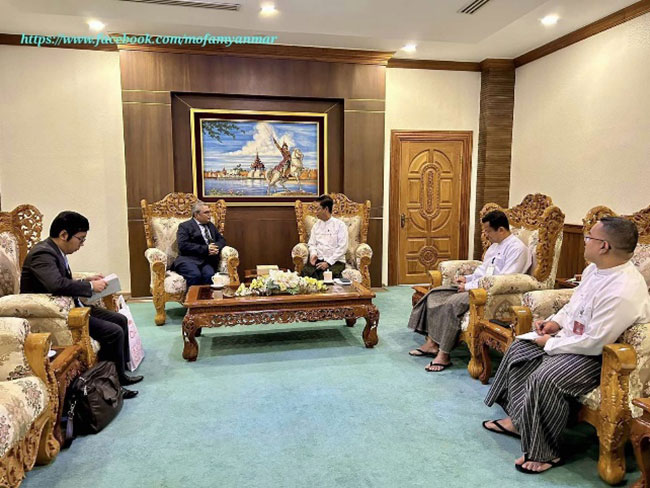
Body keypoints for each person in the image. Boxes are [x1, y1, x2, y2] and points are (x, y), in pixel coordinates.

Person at [482, 217, 650, 474]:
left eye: (589, 237)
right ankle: (519, 420)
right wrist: (555, 323)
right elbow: (575, 306)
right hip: (573, 340)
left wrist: (550, 344)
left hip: (602, 357)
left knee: (545, 376)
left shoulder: (623, 288)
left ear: (604, 246)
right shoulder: (595, 269)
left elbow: (596, 342)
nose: (585, 242)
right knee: (519, 349)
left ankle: (545, 452)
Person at [20, 211, 142, 399]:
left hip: (71, 305)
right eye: (80, 239)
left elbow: (59, 279)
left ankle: (120, 375)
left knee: (119, 319)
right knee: (113, 331)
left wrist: (86, 279)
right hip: (59, 313)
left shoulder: (54, 250)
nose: (81, 244)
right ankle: (110, 385)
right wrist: (90, 286)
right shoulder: (42, 253)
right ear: (63, 235)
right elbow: (55, 284)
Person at [408, 210, 532, 372]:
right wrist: (467, 279)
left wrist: (469, 287)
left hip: (490, 295)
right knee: (435, 293)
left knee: (452, 303)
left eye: (488, 231)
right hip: (475, 287)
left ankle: (443, 355)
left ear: (501, 230)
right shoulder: (495, 246)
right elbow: (483, 270)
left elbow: (503, 280)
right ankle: (432, 343)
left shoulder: (517, 249)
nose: (486, 235)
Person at [171, 201, 226, 287]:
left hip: (205, 261)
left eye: (210, 212)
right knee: (195, 275)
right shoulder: (185, 226)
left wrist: (215, 247)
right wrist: (206, 249)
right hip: (188, 260)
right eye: (206, 212)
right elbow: (183, 245)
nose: (209, 215)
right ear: (196, 215)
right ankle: (192, 300)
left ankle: (207, 300)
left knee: (209, 275)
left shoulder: (210, 225)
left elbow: (221, 240)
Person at [301, 194, 348, 281]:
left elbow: (342, 248)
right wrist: (313, 254)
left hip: (335, 261)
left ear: (326, 209)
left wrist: (328, 262)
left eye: (318, 209)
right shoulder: (316, 225)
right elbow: (312, 244)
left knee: (325, 276)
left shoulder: (340, 225)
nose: (315, 212)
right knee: (305, 272)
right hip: (318, 260)